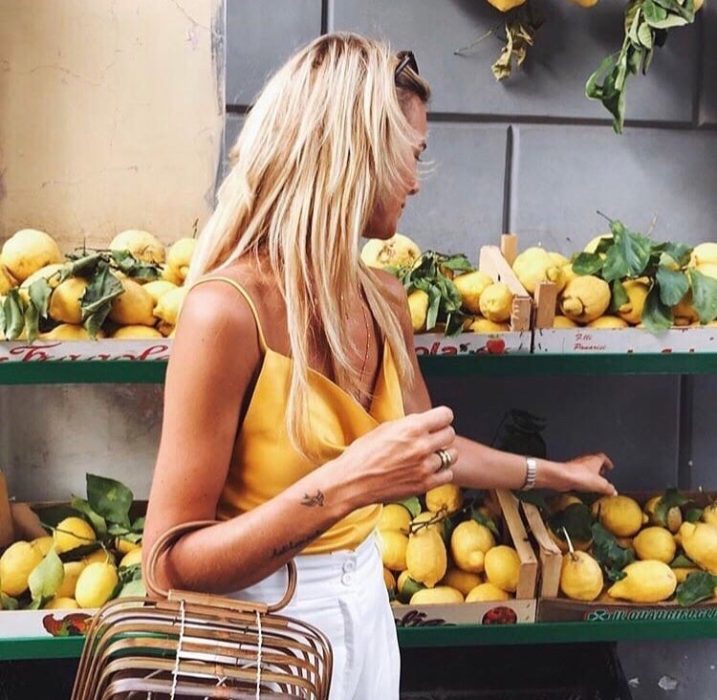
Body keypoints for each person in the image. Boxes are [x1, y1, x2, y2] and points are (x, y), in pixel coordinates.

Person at [142, 32, 616, 700]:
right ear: (349, 154)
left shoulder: (383, 296)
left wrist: (549, 472)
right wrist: (346, 485)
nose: (416, 183)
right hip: (255, 631)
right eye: (408, 156)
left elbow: (430, 449)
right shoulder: (226, 311)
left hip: (364, 609)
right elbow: (167, 570)